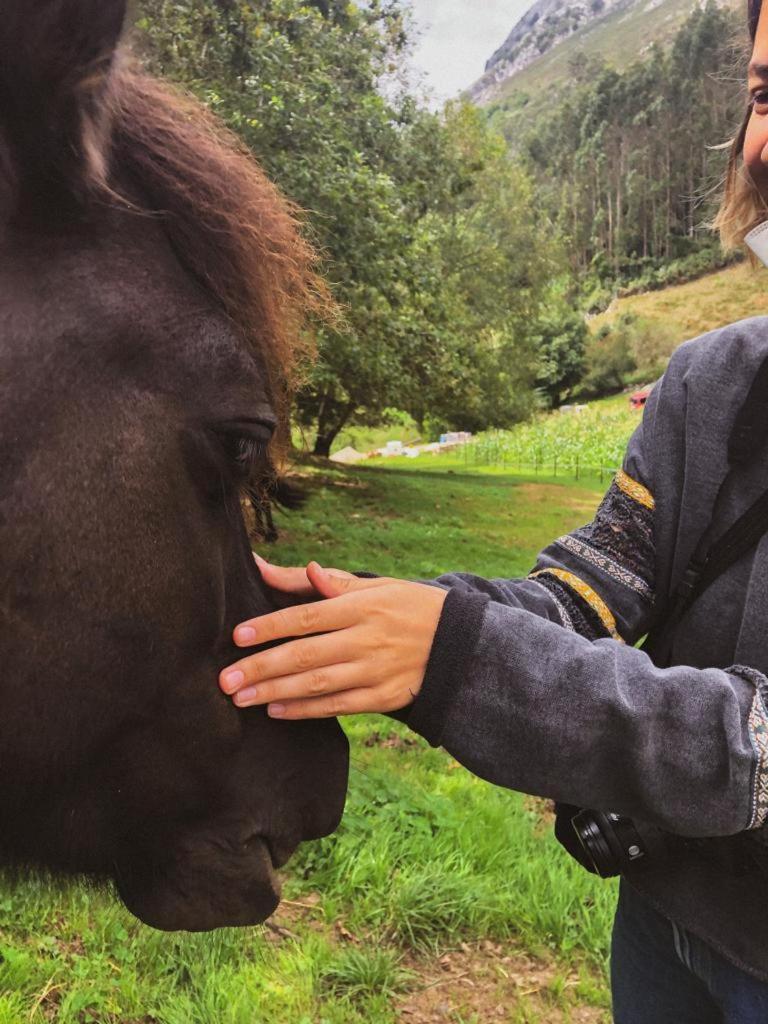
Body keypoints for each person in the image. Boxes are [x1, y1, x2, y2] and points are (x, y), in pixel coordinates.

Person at [219, 3, 768, 1019]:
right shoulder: (712, 380)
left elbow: (756, 743)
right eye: (765, 95)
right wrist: (388, 615)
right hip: (663, 923)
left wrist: (456, 657)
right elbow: (594, 588)